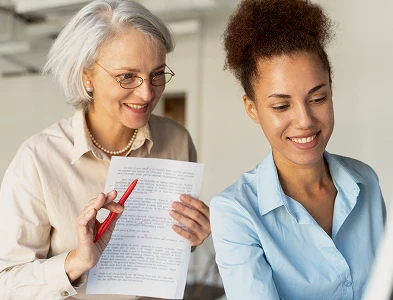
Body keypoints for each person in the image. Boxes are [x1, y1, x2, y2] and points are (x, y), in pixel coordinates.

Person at [0, 1, 210, 299]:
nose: (147, 93)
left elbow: (168, 246)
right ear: (87, 76)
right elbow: (5, 284)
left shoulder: (177, 139)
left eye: (157, 73)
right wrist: (75, 262)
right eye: (127, 76)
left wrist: (193, 236)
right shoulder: (38, 160)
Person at [210, 0, 386, 299]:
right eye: (281, 106)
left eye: (318, 99)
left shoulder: (365, 181)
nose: (305, 121)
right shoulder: (236, 211)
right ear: (252, 109)